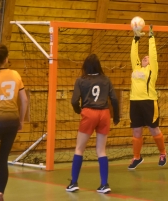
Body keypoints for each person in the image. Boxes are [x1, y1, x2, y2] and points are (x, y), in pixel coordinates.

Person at [66, 53, 120, 194]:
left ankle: (73, 183)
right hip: (104, 113)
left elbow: (73, 100)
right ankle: (104, 184)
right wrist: (116, 117)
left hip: (89, 112)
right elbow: (114, 99)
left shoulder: (81, 80)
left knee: (79, 149)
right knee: (101, 150)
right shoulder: (106, 79)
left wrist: (79, 110)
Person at [0, 44, 28, 201]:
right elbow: (24, 99)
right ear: (6, 58)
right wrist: (21, 120)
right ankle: (0, 194)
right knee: (3, 159)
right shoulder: (16, 75)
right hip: (12, 121)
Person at [128, 25, 167, 170]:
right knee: (136, 131)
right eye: (144, 57)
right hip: (134, 102)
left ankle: (162, 153)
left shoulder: (153, 69)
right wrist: (136, 38)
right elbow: (133, 54)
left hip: (149, 102)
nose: (146, 57)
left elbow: (153, 54)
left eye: (148, 57)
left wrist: (151, 37)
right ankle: (137, 157)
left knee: (153, 129)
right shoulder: (136, 68)